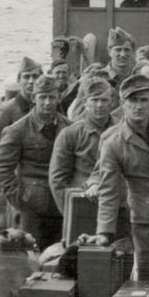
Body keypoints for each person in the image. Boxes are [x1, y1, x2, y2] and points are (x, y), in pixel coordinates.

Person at [92, 75, 149, 287]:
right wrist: (104, 232)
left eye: (144, 100)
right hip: (145, 221)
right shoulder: (112, 141)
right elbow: (108, 189)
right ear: (122, 104)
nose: (138, 106)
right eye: (132, 101)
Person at [0, 74, 64, 244]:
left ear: (59, 98)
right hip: (30, 211)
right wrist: (20, 199)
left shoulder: (68, 128)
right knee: (29, 254)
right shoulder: (17, 130)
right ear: (33, 98)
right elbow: (0, 169)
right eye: (42, 97)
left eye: (52, 97)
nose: (47, 102)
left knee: (60, 256)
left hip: (61, 206)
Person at [48, 77, 116, 214]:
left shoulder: (121, 130)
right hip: (83, 204)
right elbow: (57, 180)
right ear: (85, 102)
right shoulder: (70, 134)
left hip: (116, 204)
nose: (99, 105)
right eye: (94, 100)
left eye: (104, 100)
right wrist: (70, 212)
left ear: (112, 103)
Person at [0, 58, 42, 167]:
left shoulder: (44, 107)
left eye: (35, 76)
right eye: (26, 77)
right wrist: (3, 176)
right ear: (19, 80)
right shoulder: (5, 111)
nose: (31, 81)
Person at [105, 27, 137, 93]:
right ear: (109, 52)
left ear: (133, 52)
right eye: (118, 50)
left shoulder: (138, 78)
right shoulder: (100, 77)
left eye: (127, 50)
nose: (123, 54)